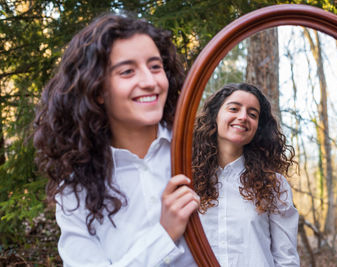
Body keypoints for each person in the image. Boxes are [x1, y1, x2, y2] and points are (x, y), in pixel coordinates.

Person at [33, 13, 199, 266]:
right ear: (97, 90)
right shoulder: (75, 193)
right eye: (127, 71)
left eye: (155, 66)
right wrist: (164, 235)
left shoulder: (201, 150)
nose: (149, 81)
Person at [192, 83, 300, 266]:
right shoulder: (187, 178)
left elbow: (286, 259)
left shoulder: (274, 185)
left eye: (252, 114)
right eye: (234, 108)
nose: (243, 117)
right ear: (215, 115)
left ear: (258, 127)